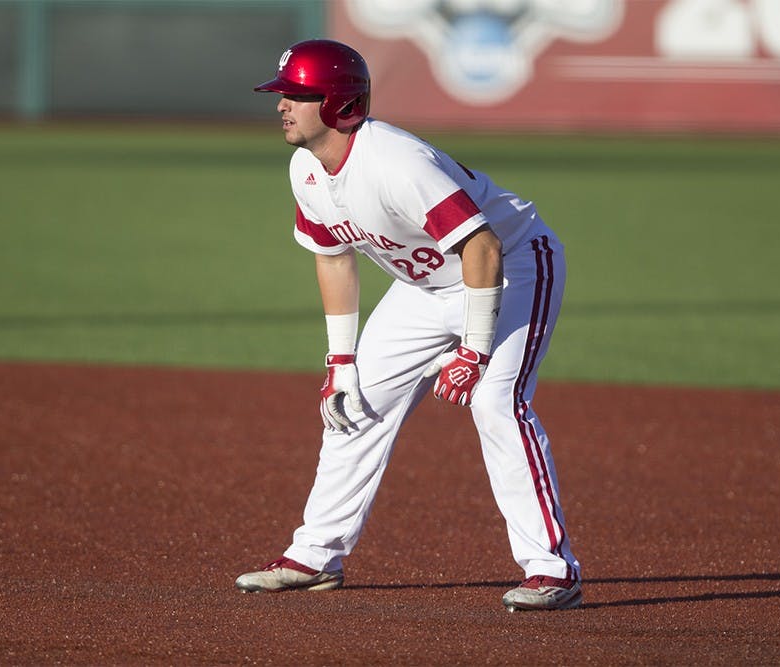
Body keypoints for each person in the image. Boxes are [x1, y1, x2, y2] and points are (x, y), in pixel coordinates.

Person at [234, 39, 581, 612]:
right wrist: (340, 361)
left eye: (298, 95)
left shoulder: (396, 162)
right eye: (284, 94)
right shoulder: (306, 169)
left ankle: (551, 569)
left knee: (497, 402)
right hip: (425, 287)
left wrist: (472, 348)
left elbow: (482, 245)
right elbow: (333, 257)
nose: (283, 105)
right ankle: (315, 555)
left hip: (512, 267)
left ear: (339, 103)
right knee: (354, 401)